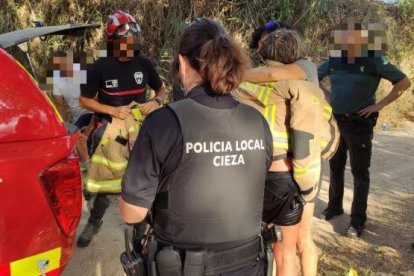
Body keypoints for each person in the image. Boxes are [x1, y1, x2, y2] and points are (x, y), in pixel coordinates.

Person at [119, 18, 273, 275]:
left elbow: (132, 214)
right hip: (249, 265)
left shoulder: (163, 122)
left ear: (182, 63)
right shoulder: (257, 120)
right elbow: (274, 194)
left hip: (180, 266)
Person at [233, 29, 338, 276]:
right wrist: (307, 187)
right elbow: (309, 140)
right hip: (285, 177)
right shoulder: (303, 88)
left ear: (264, 53)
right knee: (286, 252)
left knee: (254, 250)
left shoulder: (241, 86)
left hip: (247, 178)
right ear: (297, 55)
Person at [77, 10, 166, 247]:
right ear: (112, 42)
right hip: (110, 132)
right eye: (124, 41)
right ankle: (95, 222)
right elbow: (84, 100)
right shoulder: (100, 66)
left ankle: (140, 230)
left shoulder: (144, 63)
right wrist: (112, 110)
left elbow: (161, 89)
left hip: (139, 130)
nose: (130, 45)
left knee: (137, 181)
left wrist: (155, 102)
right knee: (108, 180)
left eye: (132, 40)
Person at [318, 18, 411, 237]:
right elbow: (314, 76)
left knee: (360, 173)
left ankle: (357, 220)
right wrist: (327, 97)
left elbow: (404, 82)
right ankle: (334, 208)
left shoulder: (375, 59)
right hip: (336, 122)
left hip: (359, 124)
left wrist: (378, 105)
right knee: (335, 168)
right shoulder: (335, 59)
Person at [51, 51, 93, 169]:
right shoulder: (56, 80)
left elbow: (97, 96)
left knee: (81, 135)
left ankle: (86, 166)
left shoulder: (83, 72)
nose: (60, 69)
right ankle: (86, 164)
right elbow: (60, 105)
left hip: (92, 109)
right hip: (77, 116)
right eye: (57, 66)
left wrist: (91, 125)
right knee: (74, 133)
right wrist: (61, 127)